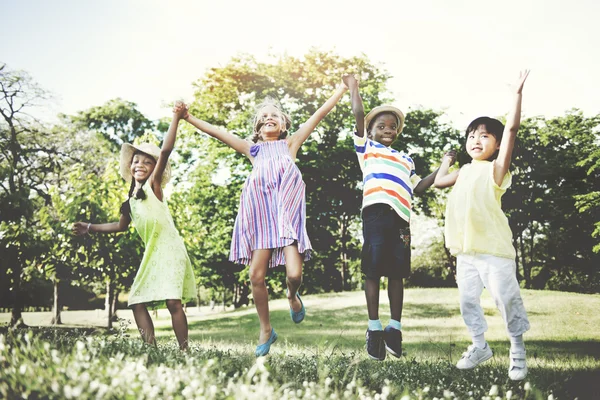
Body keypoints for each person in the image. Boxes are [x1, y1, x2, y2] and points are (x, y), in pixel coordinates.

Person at [177, 79, 348, 356]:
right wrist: (187, 117)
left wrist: (341, 89)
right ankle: (266, 329)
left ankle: (292, 296)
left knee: (294, 274)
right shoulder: (252, 150)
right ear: (258, 127)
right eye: (264, 116)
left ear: (284, 125)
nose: (269, 118)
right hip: (261, 221)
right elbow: (217, 132)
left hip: (287, 220)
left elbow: (319, 114)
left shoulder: (291, 144)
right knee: (256, 275)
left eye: (274, 115)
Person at [72, 102, 196, 350]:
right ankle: (152, 350)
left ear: (154, 170)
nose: (140, 164)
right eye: (136, 161)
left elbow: (165, 151)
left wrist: (176, 118)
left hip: (170, 249)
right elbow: (119, 227)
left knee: (174, 302)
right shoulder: (129, 202)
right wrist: (90, 227)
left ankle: (185, 351)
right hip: (153, 254)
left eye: (146, 163)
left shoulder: (154, 187)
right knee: (137, 301)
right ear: (130, 167)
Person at [434, 71, 531, 380]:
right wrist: (446, 160)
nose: (476, 139)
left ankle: (517, 351)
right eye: (472, 135)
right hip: (466, 252)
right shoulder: (463, 171)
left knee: (506, 299)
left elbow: (513, 128)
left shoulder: (496, 170)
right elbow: (438, 183)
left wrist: (516, 95)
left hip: (494, 251)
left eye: (485, 135)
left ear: (497, 144)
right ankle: (480, 346)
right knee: (466, 301)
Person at [345, 74, 441, 360]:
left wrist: (444, 166)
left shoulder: (405, 159)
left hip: (401, 218)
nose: (388, 129)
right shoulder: (367, 149)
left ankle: (394, 329)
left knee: (397, 272)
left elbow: (419, 187)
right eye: (381, 126)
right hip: (375, 212)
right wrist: (354, 88)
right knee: (373, 269)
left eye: (393, 126)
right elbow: (359, 114)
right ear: (370, 131)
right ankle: (374, 328)